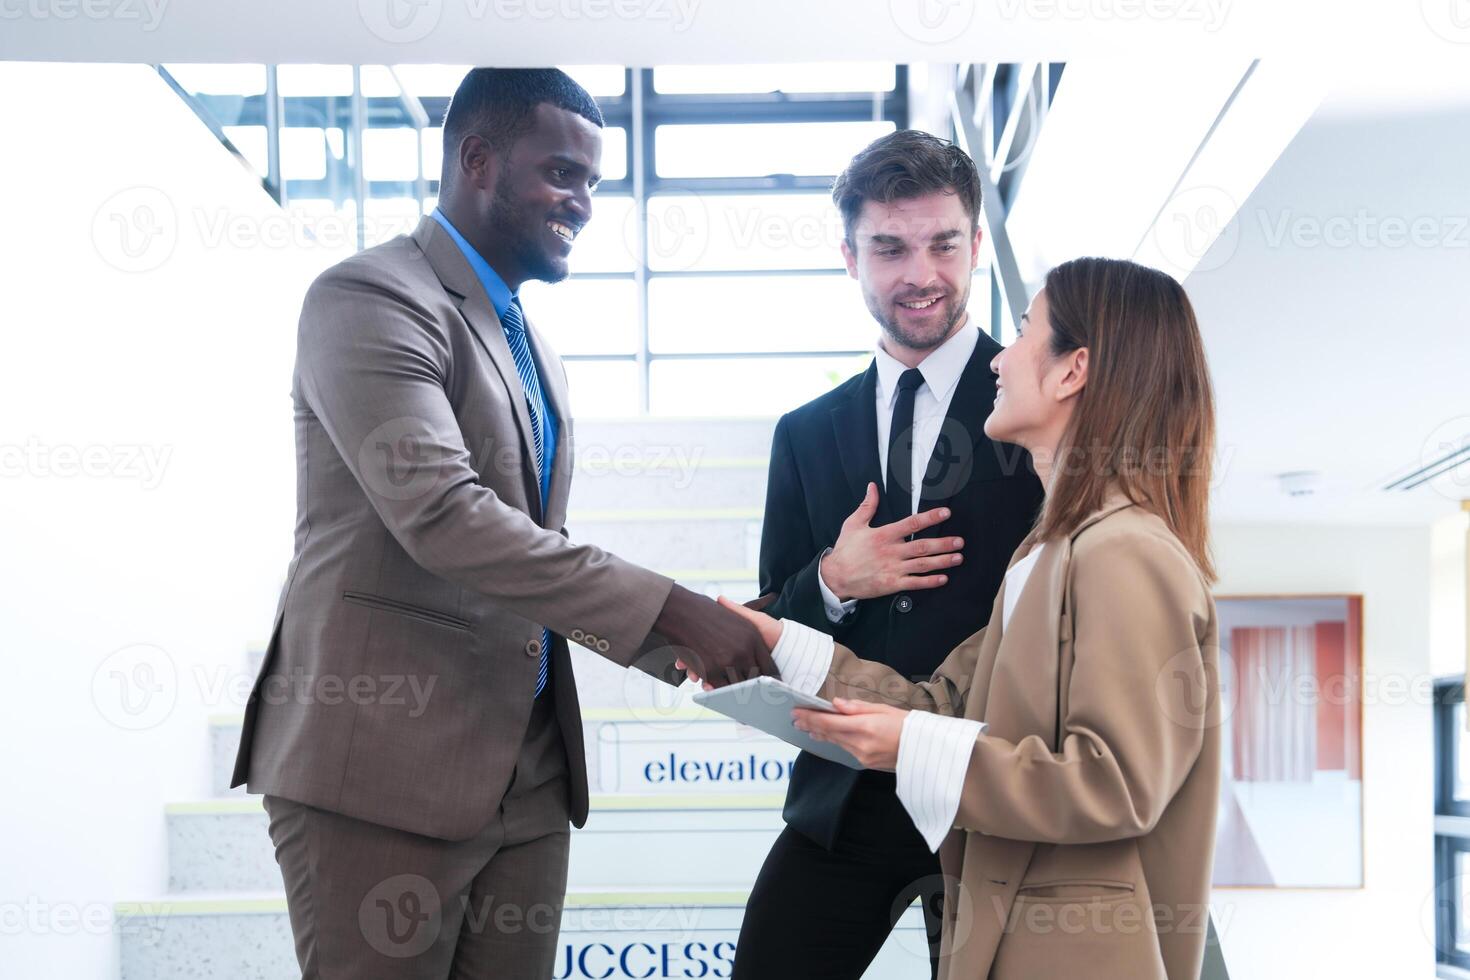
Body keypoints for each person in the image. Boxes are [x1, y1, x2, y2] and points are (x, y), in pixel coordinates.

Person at [231, 68, 773, 979]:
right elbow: (444, 517)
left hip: (526, 781)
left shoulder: (534, 347)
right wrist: (675, 612)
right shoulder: (369, 298)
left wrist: (688, 640)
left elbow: (538, 554)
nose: (585, 203)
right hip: (381, 776)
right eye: (564, 174)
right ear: (475, 159)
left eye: (594, 183)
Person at [714, 256, 1223, 979]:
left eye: (1022, 333)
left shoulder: (1123, 552)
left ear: (1071, 371)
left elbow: (1114, 785)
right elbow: (941, 705)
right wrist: (782, 642)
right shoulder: (1049, 554)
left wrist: (912, 747)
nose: (999, 358)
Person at [730, 130, 1042, 980]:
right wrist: (834, 580)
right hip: (844, 796)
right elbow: (769, 621)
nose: (920, 274)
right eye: (889, 248)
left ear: (976, 244)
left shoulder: (1041, 406)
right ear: (850, 255)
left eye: (944, 243)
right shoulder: (804, 434)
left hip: (986, 797)